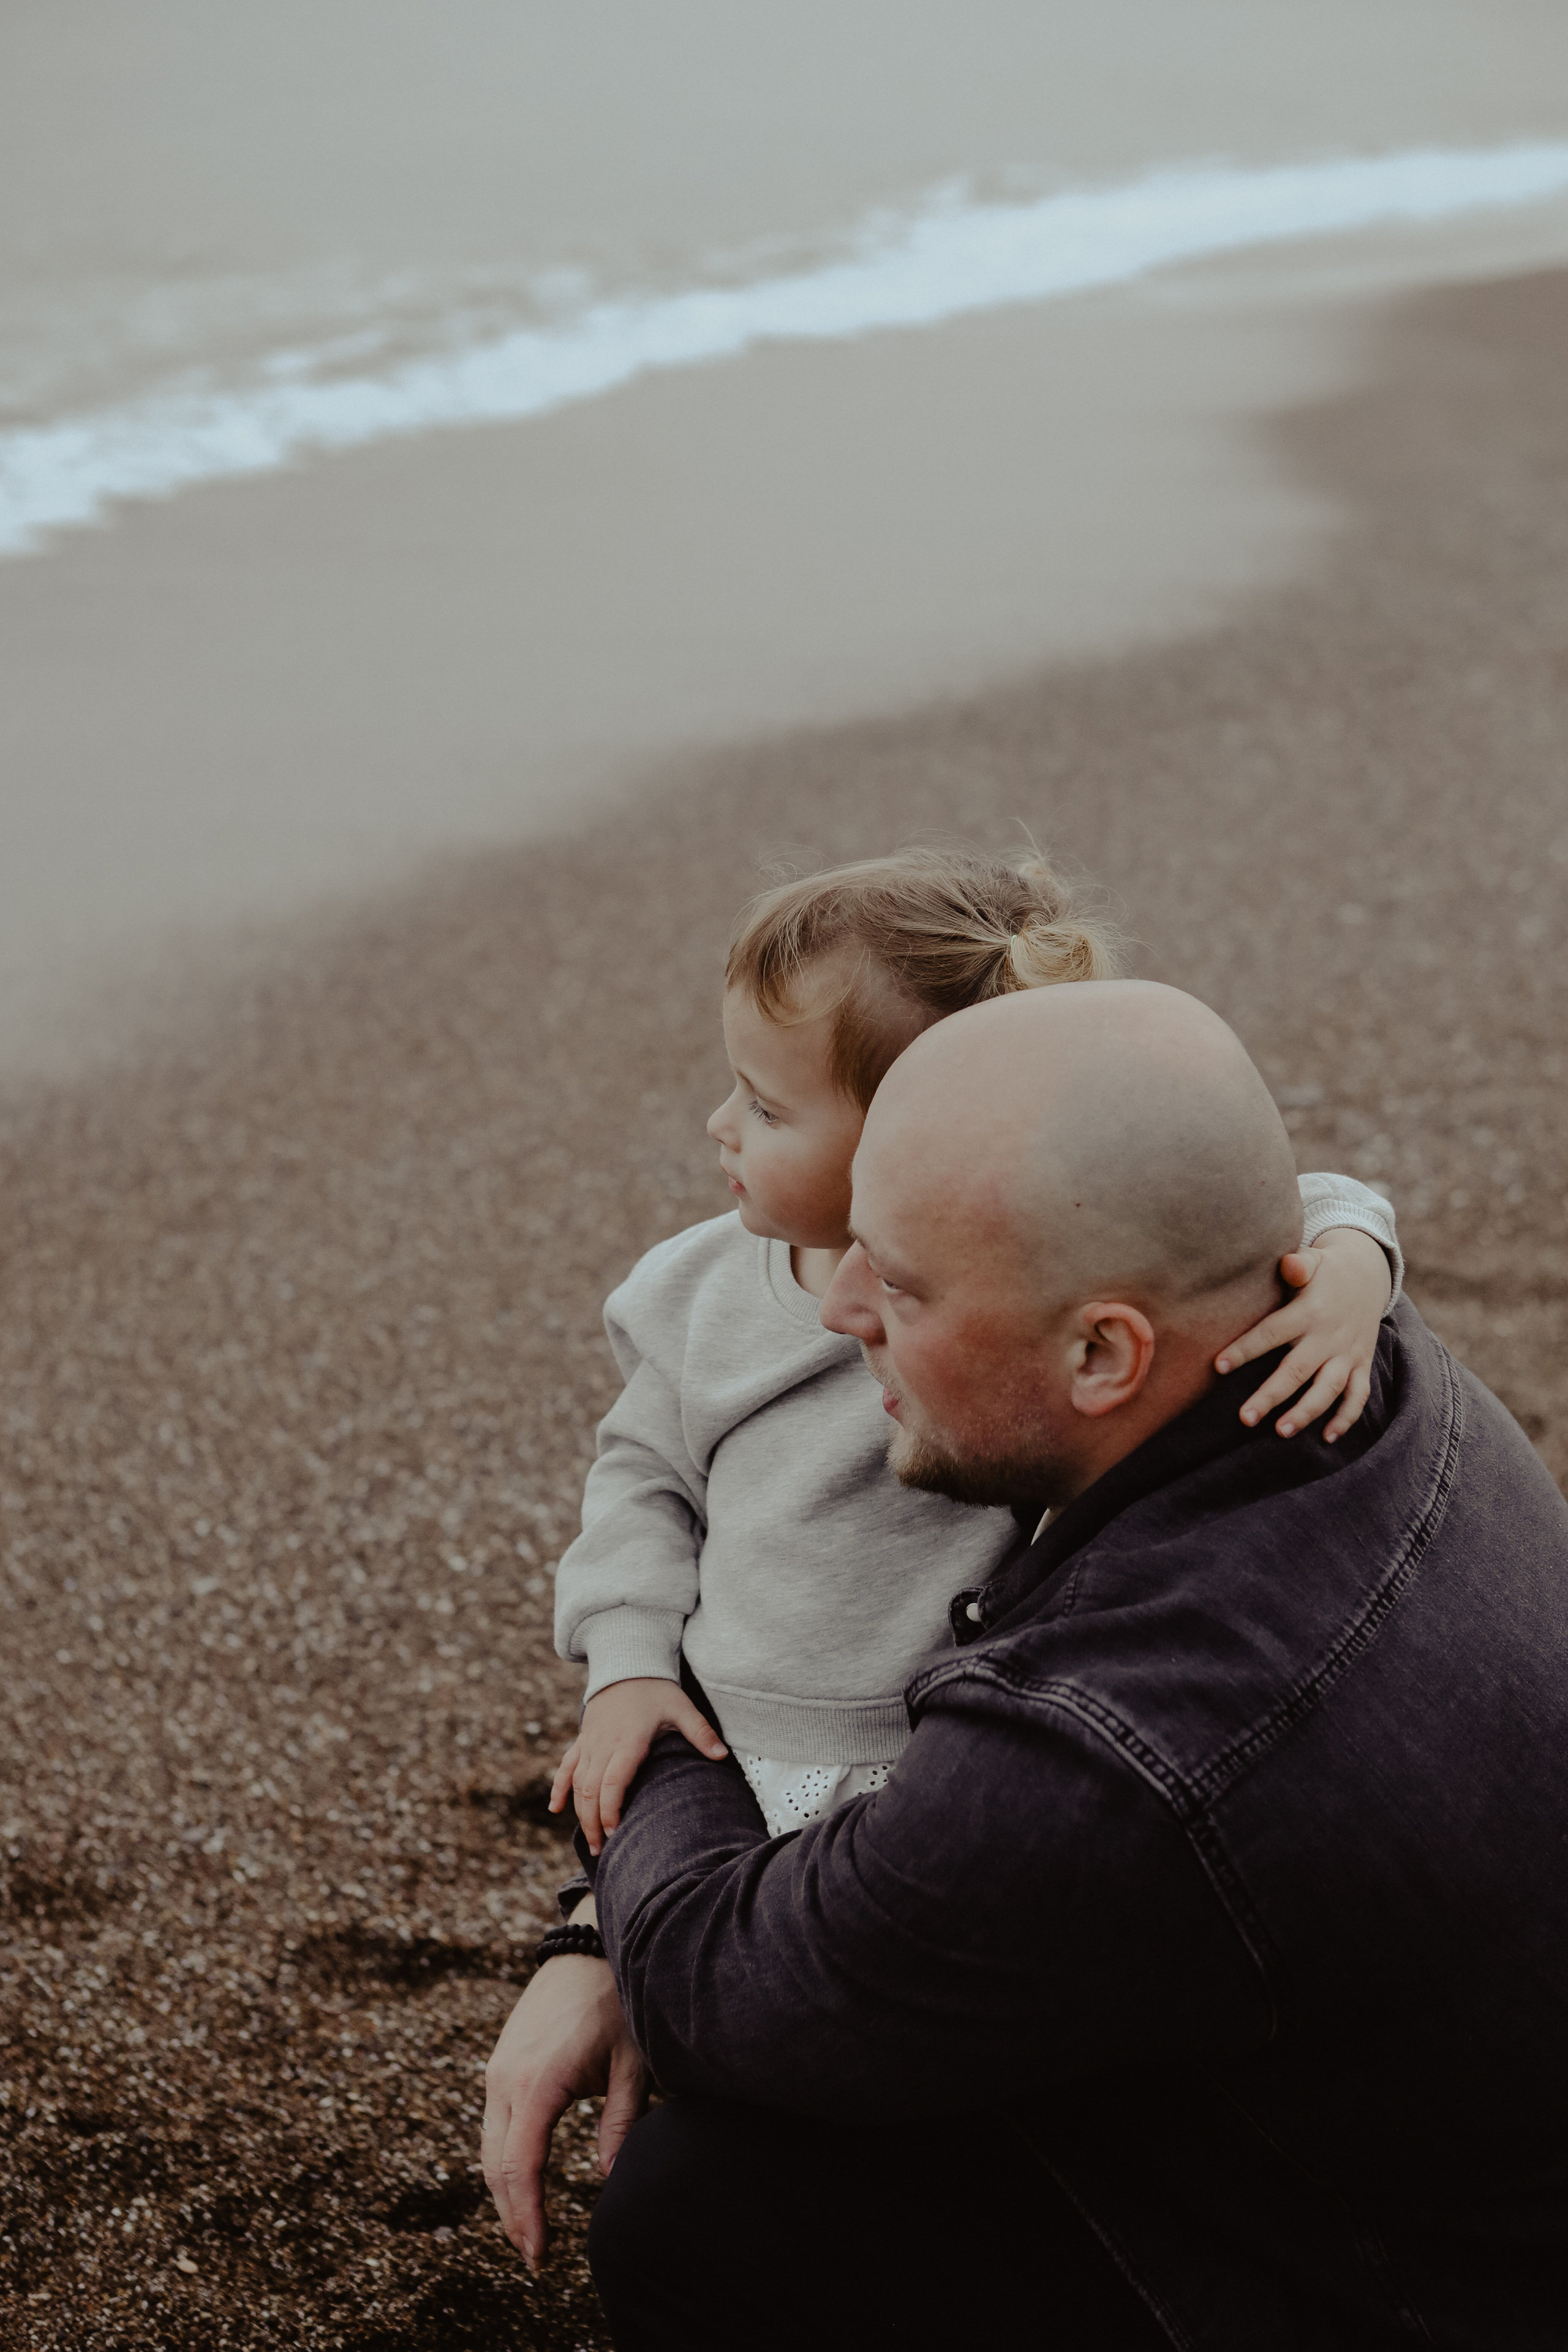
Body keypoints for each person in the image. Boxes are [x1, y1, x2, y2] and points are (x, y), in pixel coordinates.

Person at [483, 979, 1568, 2348]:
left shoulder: (1105, 1753)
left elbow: (718, 1986)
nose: (842, 1316)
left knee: (705, 2211)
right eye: (854, 1253)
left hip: (1415, 2284)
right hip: (1417, 2116)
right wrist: (601, 1925)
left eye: (907, 1284)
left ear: (1103, 1351)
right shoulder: (1360, 1360)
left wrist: (647, 1760)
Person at [548, 846, 1399, 1855]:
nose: (720, 1125)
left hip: (947, 1740)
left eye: (768, 1108)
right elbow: (643, 1481)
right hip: (729, 1735)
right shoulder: (693, 1295)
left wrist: (1351, 1266)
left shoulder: (1022, 1262)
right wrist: (629, 1662)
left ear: (918, 1131)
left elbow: (1243, 1198)